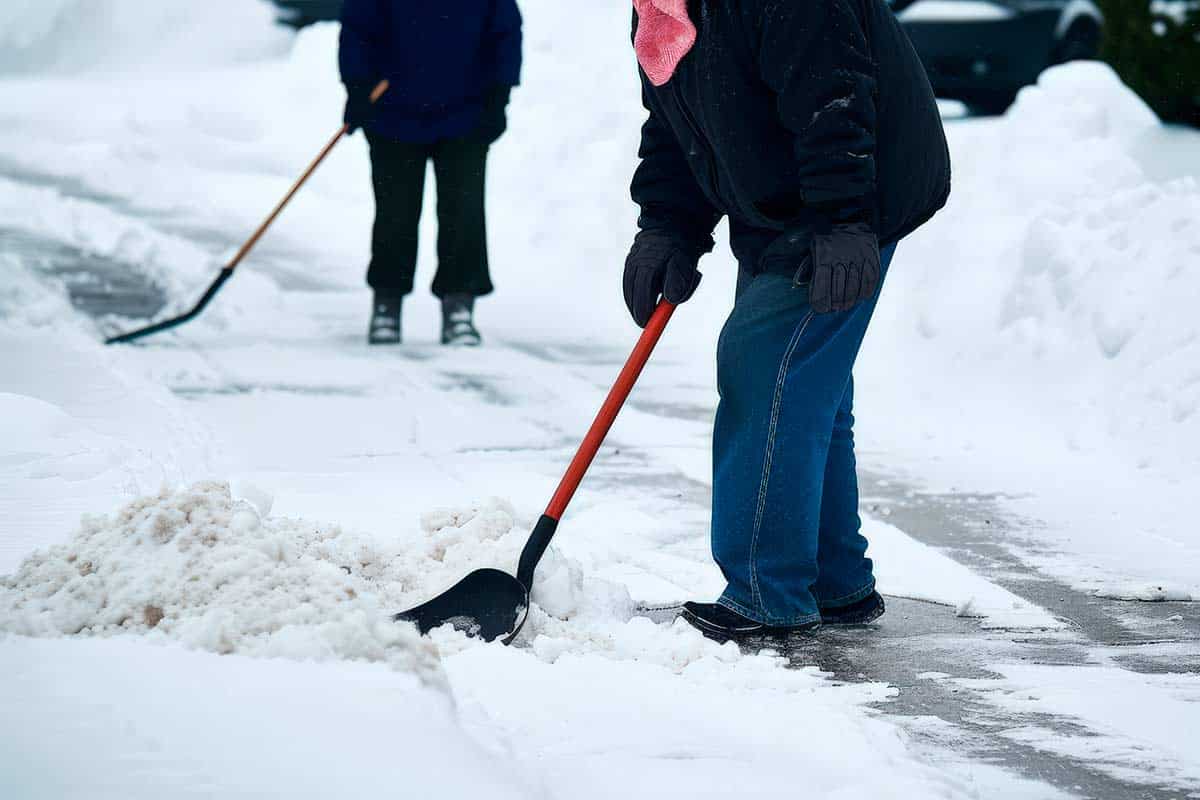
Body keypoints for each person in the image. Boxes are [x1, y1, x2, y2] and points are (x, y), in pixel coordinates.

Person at [625, 0, 950, 639]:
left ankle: (767, 591)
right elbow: (677, 120)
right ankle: (835, 581)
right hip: (781, 200)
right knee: (804, 389)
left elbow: (835, 101)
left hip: (851, 197)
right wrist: (668, 227)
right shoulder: (660, 6)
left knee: (763, 368)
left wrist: (842, 223)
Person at [339, 0, 522, 346]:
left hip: (466, 114)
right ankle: (387, 303)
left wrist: (500, 94)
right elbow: (357, 29)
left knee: (463, 214)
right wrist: (357, 87)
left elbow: (505, 31)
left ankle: (459, 304)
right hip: (392, 113)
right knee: (395, 213)